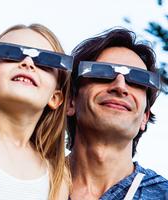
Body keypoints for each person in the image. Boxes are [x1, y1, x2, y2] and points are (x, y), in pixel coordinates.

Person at [0, 23, 73, 200]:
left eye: (45, 61)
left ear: (55, 98)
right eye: (10, 54)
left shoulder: (57, 177)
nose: (28, 62)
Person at [67, 28, 168, 199]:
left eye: (137, 79)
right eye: (102, 72)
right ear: (71, 102)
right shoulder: (29, 182)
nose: (120, 86)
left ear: (145, 116)